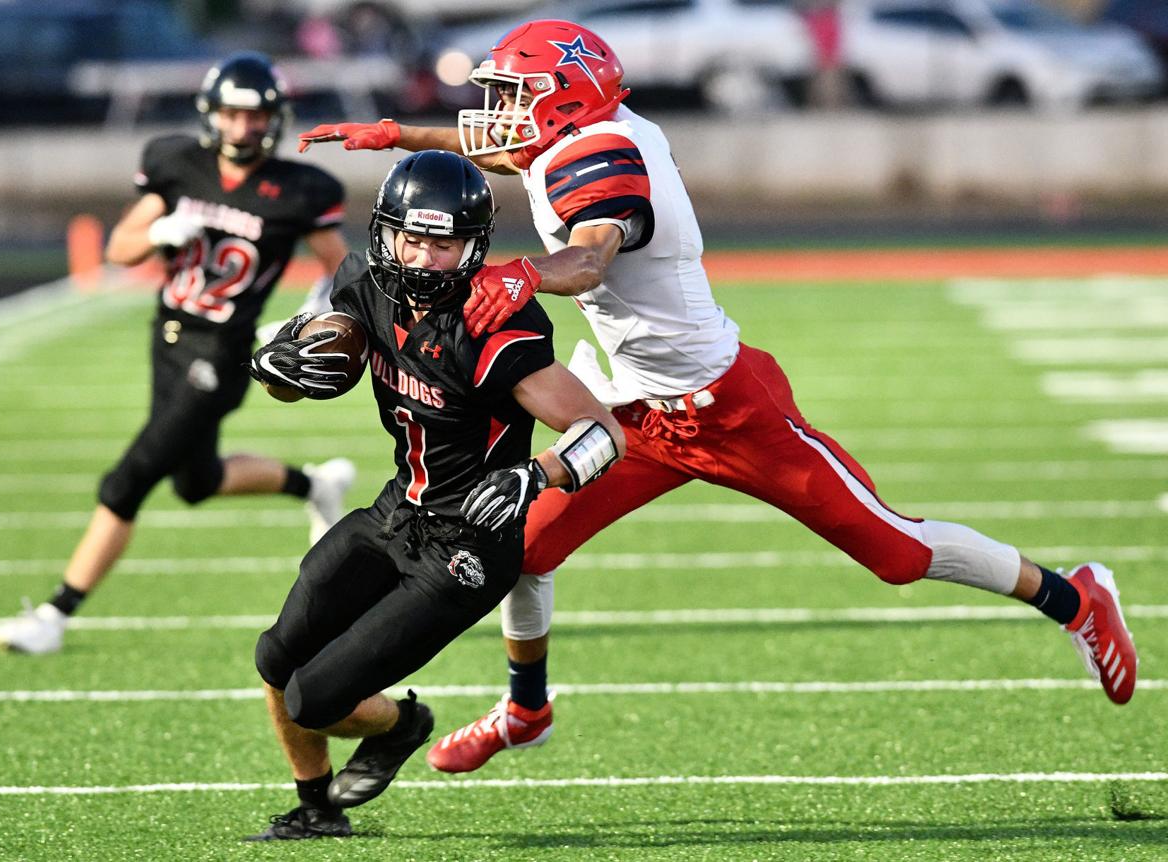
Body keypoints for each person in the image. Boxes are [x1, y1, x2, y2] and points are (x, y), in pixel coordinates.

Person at [296, 19, 1140, 776]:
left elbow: (588, 258)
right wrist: (397, 134)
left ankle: (1074, 596)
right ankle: (527, 710)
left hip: (725, 409)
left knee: (896, 553)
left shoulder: (604, 159)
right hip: (633, 407)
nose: (501, 112)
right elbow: (505, 145)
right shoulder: (576, 132)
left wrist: (522, 273)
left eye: (518, 95)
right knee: (522, 542)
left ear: (563, 101)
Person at [242, 149, 624, 840]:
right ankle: (316, 807)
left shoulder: (494, 325)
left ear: (472, 247)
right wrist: (279, 368)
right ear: (385, 232)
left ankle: (402, 724)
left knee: (312, 699)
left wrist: (536, 474)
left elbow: (603, 433)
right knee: (275, 658)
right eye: (411, 239)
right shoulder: (365, 283)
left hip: (467, 546)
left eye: (442, 245)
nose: (422, 258)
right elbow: (318, 367)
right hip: (398, 510)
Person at [0, 52, 356, 656]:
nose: (244, 127)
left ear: (275, 119)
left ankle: (56, 613)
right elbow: (120, 248)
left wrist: (308, 316)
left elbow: (341, 271)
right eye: (232, 114)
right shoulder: (177, 163)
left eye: (256, 116)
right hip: (167, 339)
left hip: (223, 352)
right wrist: (157, 232)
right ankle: (314, 484)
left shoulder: (298, 189)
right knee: (196, 480)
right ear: (212, 114)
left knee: (128, 480)